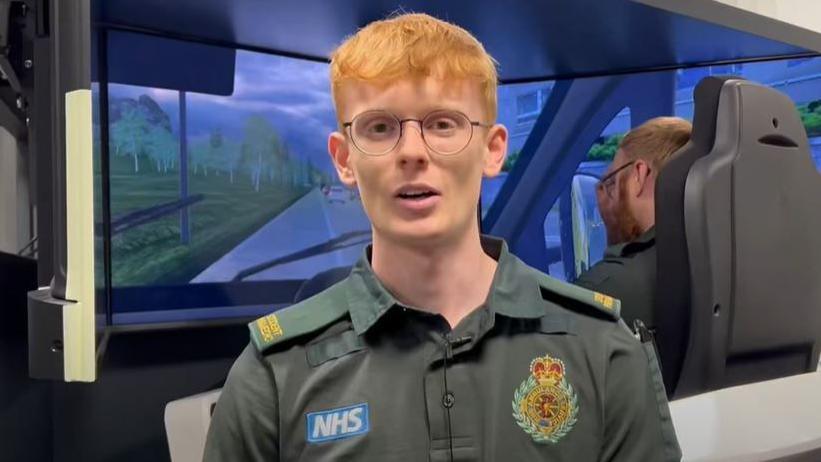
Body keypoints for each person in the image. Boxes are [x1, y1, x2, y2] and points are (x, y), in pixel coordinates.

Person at [204, 13, 680, 461]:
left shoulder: (604, 353)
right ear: (344, 158)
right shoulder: (272, 378)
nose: (412, 151)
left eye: (443, 124)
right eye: (379, 127)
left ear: (493, 150)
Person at [576, 117, 692, 331]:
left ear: (639, 174)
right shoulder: (731, 266)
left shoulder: (600, 293)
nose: (604, 204)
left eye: (610, 182)